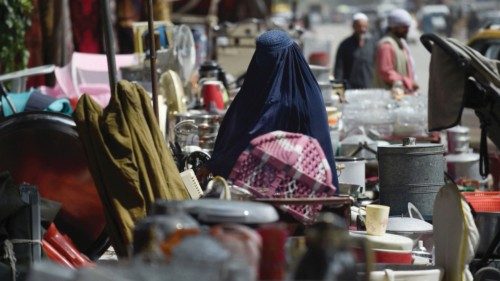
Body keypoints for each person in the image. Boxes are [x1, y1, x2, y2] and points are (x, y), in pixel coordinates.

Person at [205, 29, 339, 189]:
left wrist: (217, 163)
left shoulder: (298, 97)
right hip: (258, 184)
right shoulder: (257, 91)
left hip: (297, 187)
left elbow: (252, 137)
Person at [373, 8, 419, 93]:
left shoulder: (400, 43)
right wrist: (408, 82)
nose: (407, 30)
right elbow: (386, 72)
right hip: (390, 97)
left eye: (407, 27)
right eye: (404, 27)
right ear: (394, 27)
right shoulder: (386, 46)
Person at [334, 12, 376, 89]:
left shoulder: (373, 44)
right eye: (359, 26)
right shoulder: (345, 45)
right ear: (353, 26)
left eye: (365, 26)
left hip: (369, 88)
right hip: (350, 89)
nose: (362, 29)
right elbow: (339, 69)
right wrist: (338, 87)